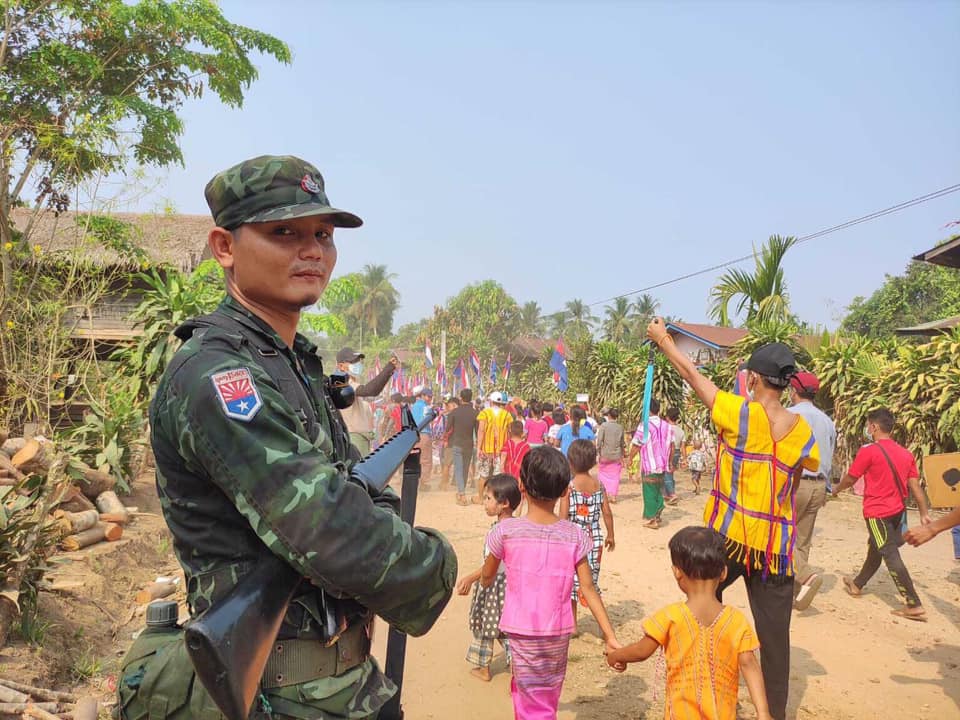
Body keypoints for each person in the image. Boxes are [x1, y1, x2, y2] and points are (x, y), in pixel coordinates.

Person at [123, 155, 456, 719]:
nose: (313, 251)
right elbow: (328, 526)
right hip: (276, 700)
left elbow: (357, 493)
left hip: (346, 688)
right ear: (225, 247)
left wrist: (363, 510)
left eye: (323, 235)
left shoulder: (290, 365)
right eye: (284, 232)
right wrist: (438, 562)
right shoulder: (217, 375)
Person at [646, 317, 819, 720]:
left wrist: (663, 339)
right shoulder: (800, 430)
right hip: (775, 549)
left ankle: (705, 696)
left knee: (703, 615)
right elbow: (791, 487)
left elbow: (692, 374)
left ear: (754, 379)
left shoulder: (739, 413)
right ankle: (772, 713)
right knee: (775, 640)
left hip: (726, 540)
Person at [481, 446, 621, 719]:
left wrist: (485, 580)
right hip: (558, 630)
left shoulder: (505, 531)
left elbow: (488, 575)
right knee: (547, 692)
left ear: (521, 485)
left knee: (527, 691)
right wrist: (610, 636)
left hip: (521, 629)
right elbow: (589, 589)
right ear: (563, 491)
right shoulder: (575, 536)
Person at [606, 526, 772, 720]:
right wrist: (763, 713)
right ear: (724, 572)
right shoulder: (737, 621)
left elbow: (641, 651)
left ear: (677, 572)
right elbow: (749, 664)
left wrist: (616, 655)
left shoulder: (670, 616)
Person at [832, 407, 931, 621]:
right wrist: (923, 513)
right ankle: (857, 584)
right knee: (877, 548)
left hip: (877, 513)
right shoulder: (906, 454)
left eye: (869, 426)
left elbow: (851, 478)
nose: (868, 429)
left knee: (888, 552)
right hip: (899, 513)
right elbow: (915, 486)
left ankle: (913, 604)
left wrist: (835, 490)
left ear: (874, 427)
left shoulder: (869, 451)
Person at [456, 474, 522, 682]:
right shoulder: (518, 527)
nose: (484, 503)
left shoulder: (499, 531)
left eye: (488, 499)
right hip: (511, 586)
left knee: (485, 626)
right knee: (505, 628)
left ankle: (485, 668)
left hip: (493, 584)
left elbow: (491, 565)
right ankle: (517, 666)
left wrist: (470, 578)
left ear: (504, 504)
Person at [786, 371, 836, 611]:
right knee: (803, 538)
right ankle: (796, 590)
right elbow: (830, 453)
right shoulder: (827, 421)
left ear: (793, 390)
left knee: (783, 534)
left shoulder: (789, 415)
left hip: (796, 482)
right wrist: (826, 488)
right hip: (818, 484)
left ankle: (805, 575)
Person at [559, 439, 615, 635]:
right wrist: (611, 535)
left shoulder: (569, 487)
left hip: (573, 542)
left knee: (570, 585)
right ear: (593, 462)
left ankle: (572, 625)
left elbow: (563, 517)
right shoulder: (599, 485)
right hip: (594, 540)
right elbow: (607, 512)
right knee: (591, 583)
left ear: (570, 462)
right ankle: (602, 627)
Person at [336, 347, 398, 456]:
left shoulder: (352, 383)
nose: (357, 364)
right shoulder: (343, 383)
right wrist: (388, 369)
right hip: (353, 438)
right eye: (353, 361)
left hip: (361, 438)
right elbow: (370, 390)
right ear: (341, 366)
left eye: (358, 361)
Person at [626, 398, 673, 529]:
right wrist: (669, 461)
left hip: (649, 465)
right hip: (662, 464)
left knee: (649, 491)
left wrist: (630, 459)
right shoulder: (667, 426)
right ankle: (658, 510)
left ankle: (652, 518)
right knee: (657, 489)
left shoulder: (644, 425)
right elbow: (673, 445)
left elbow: (636, 444)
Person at [475, 390, 513, 502]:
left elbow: (481, 431)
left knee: (483, 475)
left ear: (491, 401)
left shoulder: (484, 413)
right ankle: (496, 499)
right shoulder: (507, 415)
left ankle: (481, 498)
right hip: (501, 450)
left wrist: (478, 448)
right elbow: (509, 431)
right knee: (498, 476)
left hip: (486, 449)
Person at [444, 388, 479, 506]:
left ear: (461, 398)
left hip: (457, 443)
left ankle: (462, 494)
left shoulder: (454, 412)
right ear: (471, 398)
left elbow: (447, 428)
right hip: (469, 444)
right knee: (465, 468)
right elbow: (478, 431)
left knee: (458, 468)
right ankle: (461, 492)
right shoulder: (475, 413)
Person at [595, 408, 625, 502]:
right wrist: (622, 455)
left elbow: (599, 441)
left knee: (603, 474)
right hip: (616, 455)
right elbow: (622, 443)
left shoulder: (604, 426)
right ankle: (613, 495)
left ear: (608, 416)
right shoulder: (620, 427)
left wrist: (598, 452)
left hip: (605, 454)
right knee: (615, 476)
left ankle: (605, 494)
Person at [411, 386, 435, 480]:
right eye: (428, 397)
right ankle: (424, 481)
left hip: (414, 435)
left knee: (416, 458)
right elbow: (429, 419)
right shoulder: (426, 407)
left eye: (431, 397)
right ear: (423, 396)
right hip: (424, 434)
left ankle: (415, 479)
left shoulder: (413, 406)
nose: (430, 399)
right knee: (426, 459)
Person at [663, 407, 685, 505]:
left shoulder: (666, 428)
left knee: (666, 473)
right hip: (676, 452)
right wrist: (684, 458)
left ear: (667, 417)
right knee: (670, 473)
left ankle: (672, 494)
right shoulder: (681, 431)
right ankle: (667, 494)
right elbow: (683, 447)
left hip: (667, 451)